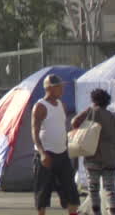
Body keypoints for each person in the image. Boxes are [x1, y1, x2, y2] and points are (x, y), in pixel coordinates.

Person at [33, 74, 81, 215]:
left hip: (62, 154)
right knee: (42, 192)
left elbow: (61, 126)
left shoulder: (61, 105)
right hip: (46, 155)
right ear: (50, 88)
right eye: (59, 87)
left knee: (71, 191)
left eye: (62, 86)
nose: (62, 89)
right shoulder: (40, 106)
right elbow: (34, 131)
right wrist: (42, 153)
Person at [72, 88, 115, 215]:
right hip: (110, 159)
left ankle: (96, 213)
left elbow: (74, 122)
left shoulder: (91, 112)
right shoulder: (112, 116)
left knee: (93, 189)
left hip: (93, 157)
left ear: (94, 100)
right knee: (110, 189)